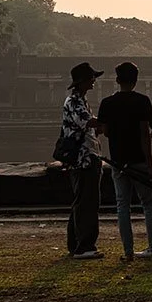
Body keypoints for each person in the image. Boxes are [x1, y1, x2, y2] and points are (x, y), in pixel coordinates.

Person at [97, 61, 152, 261]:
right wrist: (149, 164)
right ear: (135, 81)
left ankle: (128, 252)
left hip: (119, 161)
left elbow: (105, 131)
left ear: (117, 80)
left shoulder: (107, 103)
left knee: (122, 206)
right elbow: (145, 134)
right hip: (139, 160)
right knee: (148, 204)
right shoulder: (142, 101)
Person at [58, 63, 105, 260]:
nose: (94, 81)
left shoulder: (80, 101)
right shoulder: (75, 101)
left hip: (85, 156)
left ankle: (76, 243)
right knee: (87, 202)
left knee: (81, 202)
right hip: (83, 159)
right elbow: (88, 123)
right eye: (91, 78)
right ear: (84, 81)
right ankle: (84, 245)